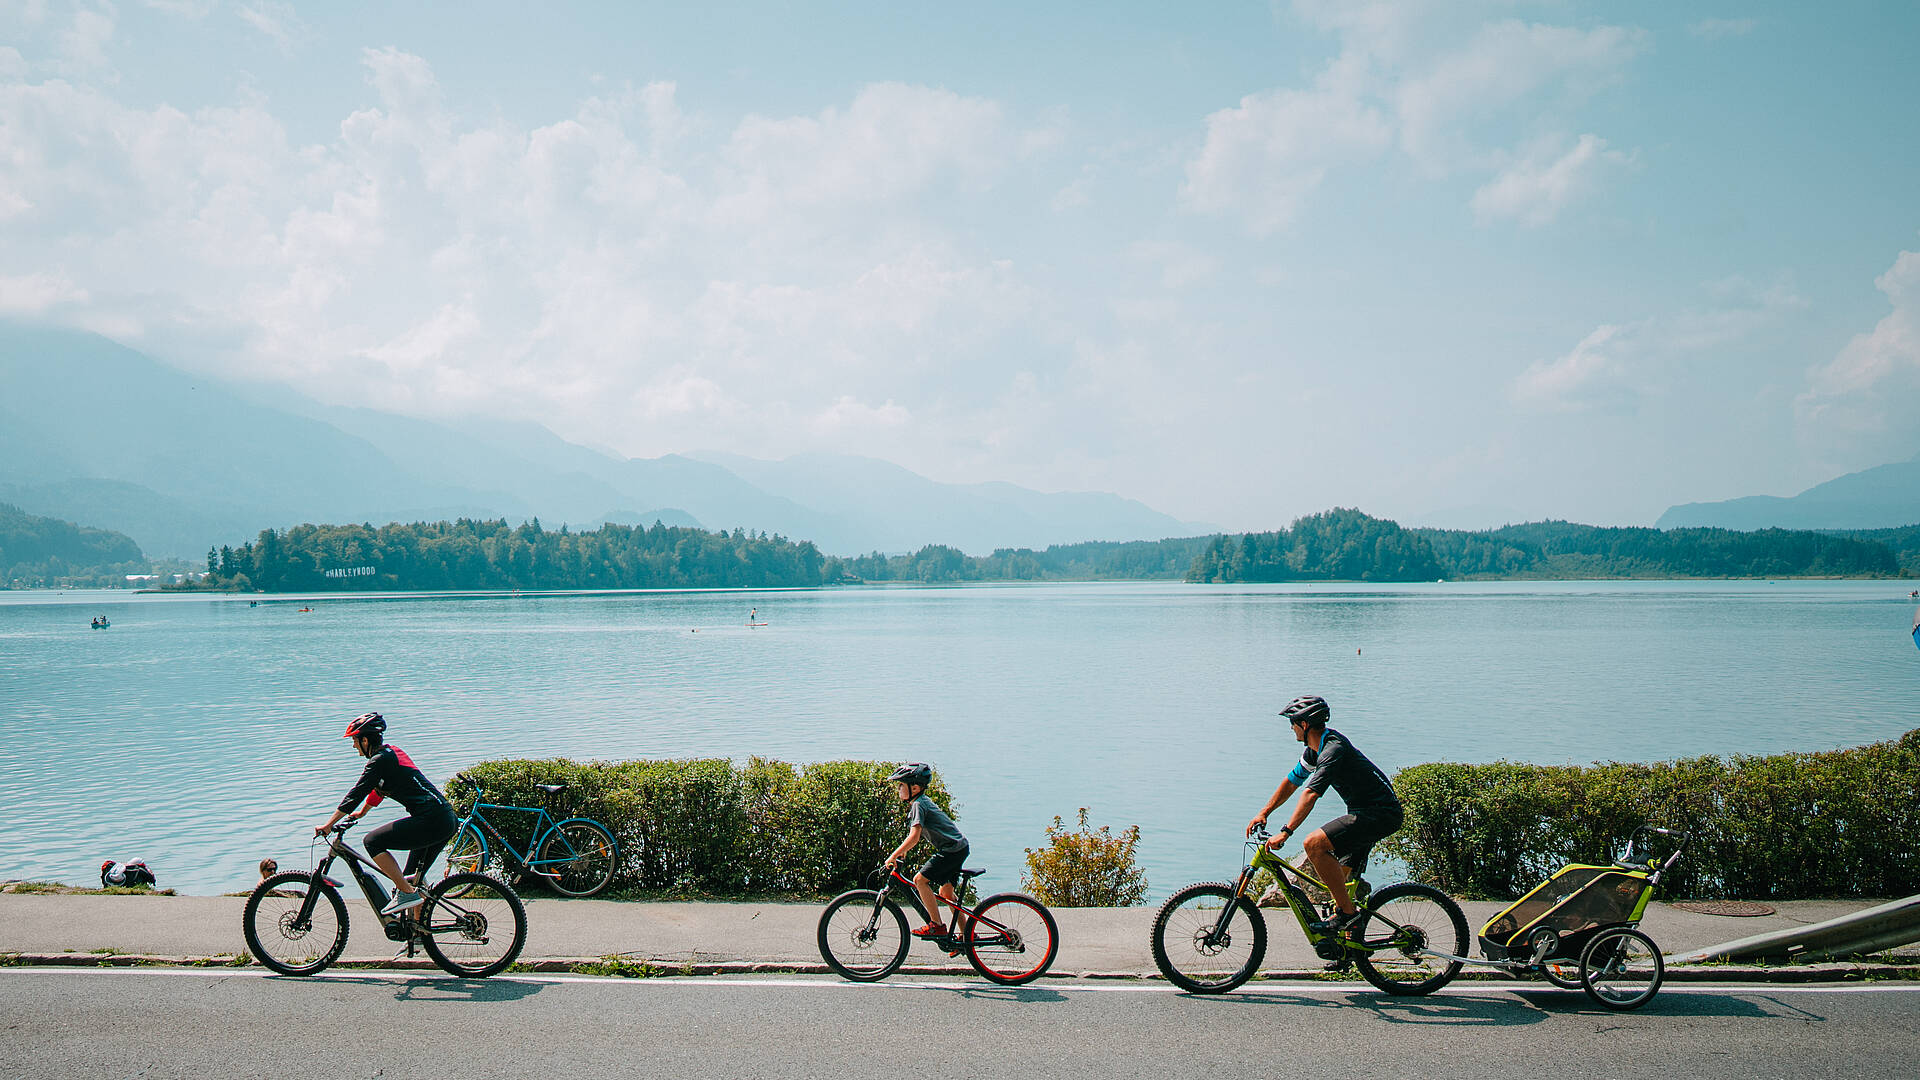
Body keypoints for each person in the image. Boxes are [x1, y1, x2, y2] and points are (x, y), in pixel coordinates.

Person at [1246, 695, 1403, 936]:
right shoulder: (1314, 751)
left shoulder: (1333, 748)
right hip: (1365, 813)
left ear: (1305, 725)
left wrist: (1286, 832)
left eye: (1293, 722)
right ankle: (1347, 950)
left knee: (1314, 844)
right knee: (1339, 885)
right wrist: (1264, 812)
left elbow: (1310, 794)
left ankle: (1348, 917)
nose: (1291, 727)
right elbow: (1292, 782)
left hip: (1380, 814)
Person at [313, 712, 456, 916]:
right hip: (445, 818)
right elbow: (378, 787)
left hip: (431, 820)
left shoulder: (379, 761)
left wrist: (329, 824)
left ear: (364, 739)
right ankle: (418, 935)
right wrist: (362, 813)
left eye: (355, 740)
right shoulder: (392, 753)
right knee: (411, 878)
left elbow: (356, 793)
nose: (354, 746)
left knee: (372, 841)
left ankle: (406, 895)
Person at [883, 762, 969, 940]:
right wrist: (902, 851)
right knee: (946, 895)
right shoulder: (921, 802)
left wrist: (893, 855)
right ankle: (968, 934)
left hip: (951, 850)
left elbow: (914, 836)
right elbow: (915, 835)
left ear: (914, 787)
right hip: (958, 848)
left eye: (901, 785)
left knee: (920, 881)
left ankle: (936, 925)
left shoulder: (918, 805)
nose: (898, 789)